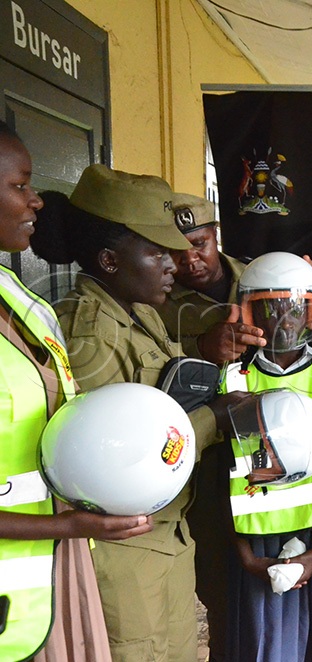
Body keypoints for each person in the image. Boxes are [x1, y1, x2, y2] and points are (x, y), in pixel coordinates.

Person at [30, 164, 246, 661]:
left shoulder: (142, 310)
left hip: (166, 533)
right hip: (121, 550)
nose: (177, 262)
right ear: (108, 259)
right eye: (158, 252)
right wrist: (214, 417)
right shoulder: (89, 335)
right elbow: (105, 468)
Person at [0, 122, 154, 661]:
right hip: (27, 569)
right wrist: (65, 524)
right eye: (20, 186)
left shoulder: (19, 299)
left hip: (53, 566)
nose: (36, 201)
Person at [219, 252, 312, 661]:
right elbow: (219, 474)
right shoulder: (230, 378)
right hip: (255, 542)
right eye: (270, 309)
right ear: (248, 312)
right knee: (265, 648)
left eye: (296, 308)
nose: (285, 319)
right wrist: (245, 556)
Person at [156, 192, 312, 363]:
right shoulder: (156, 302)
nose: (190, 259)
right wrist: (201, 348)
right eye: (175, 250)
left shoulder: (264, 277)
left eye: (199, 244)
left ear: (215, 233)